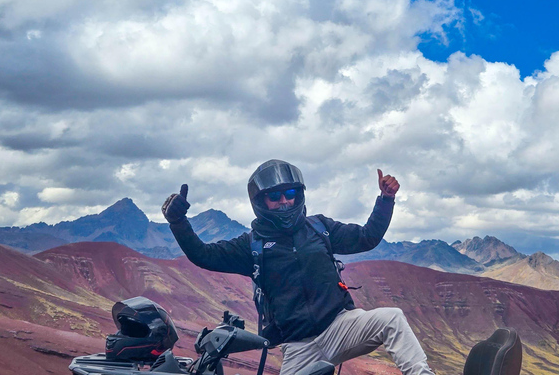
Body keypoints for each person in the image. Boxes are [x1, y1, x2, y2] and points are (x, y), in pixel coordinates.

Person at [162, 159, 434, 375]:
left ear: (299, 194)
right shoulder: (251, 244)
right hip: (298, 347)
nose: (284, 201)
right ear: (261, 201)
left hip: (340, 326)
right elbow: (204, 255)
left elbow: (367, 237)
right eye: (275, 196)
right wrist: (178, 222)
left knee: (392, 318)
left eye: (290, 193)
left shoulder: (319, 228)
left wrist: (386, 200)